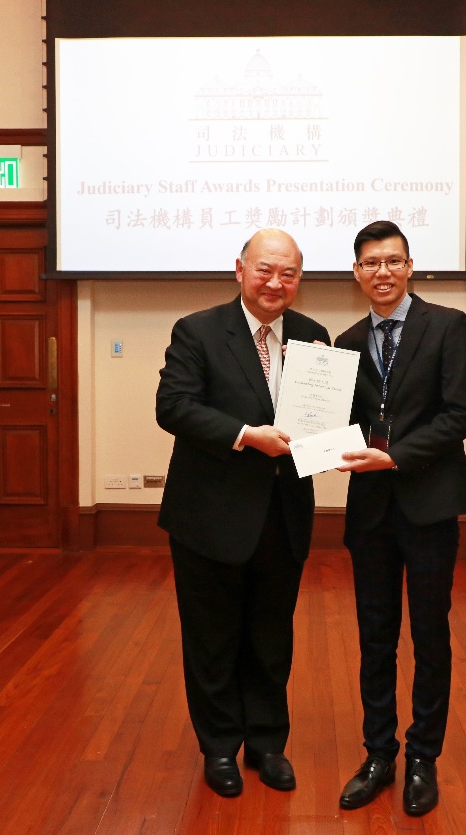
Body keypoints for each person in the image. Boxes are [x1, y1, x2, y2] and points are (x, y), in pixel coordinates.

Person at [156, 228, 330, 798]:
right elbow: (174, 407)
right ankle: (219, 747)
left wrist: (336, 443)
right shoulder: (198, 331)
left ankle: (267, 744)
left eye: (289, 273)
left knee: (271, 636)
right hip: (209, 515)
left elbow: (319, 419)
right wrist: (244, 435)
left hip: (283, 514)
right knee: (211, 637)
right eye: (265, 270)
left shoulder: (313, 336)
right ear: (239, 269)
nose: (275, 283)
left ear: (299, 279)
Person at [334, 220, 466, 816]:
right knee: (374, 638)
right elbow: (336, 422)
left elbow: (460, 416)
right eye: (371, 263)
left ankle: (423, 756)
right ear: (357, 273)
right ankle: (378, 755)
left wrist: (392, 457)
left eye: (392, 261)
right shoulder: (343, 343)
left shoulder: (447, 326)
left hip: (429, 504)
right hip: (369, 512)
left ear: (410, 265)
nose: (383, 272)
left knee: (429, 633)